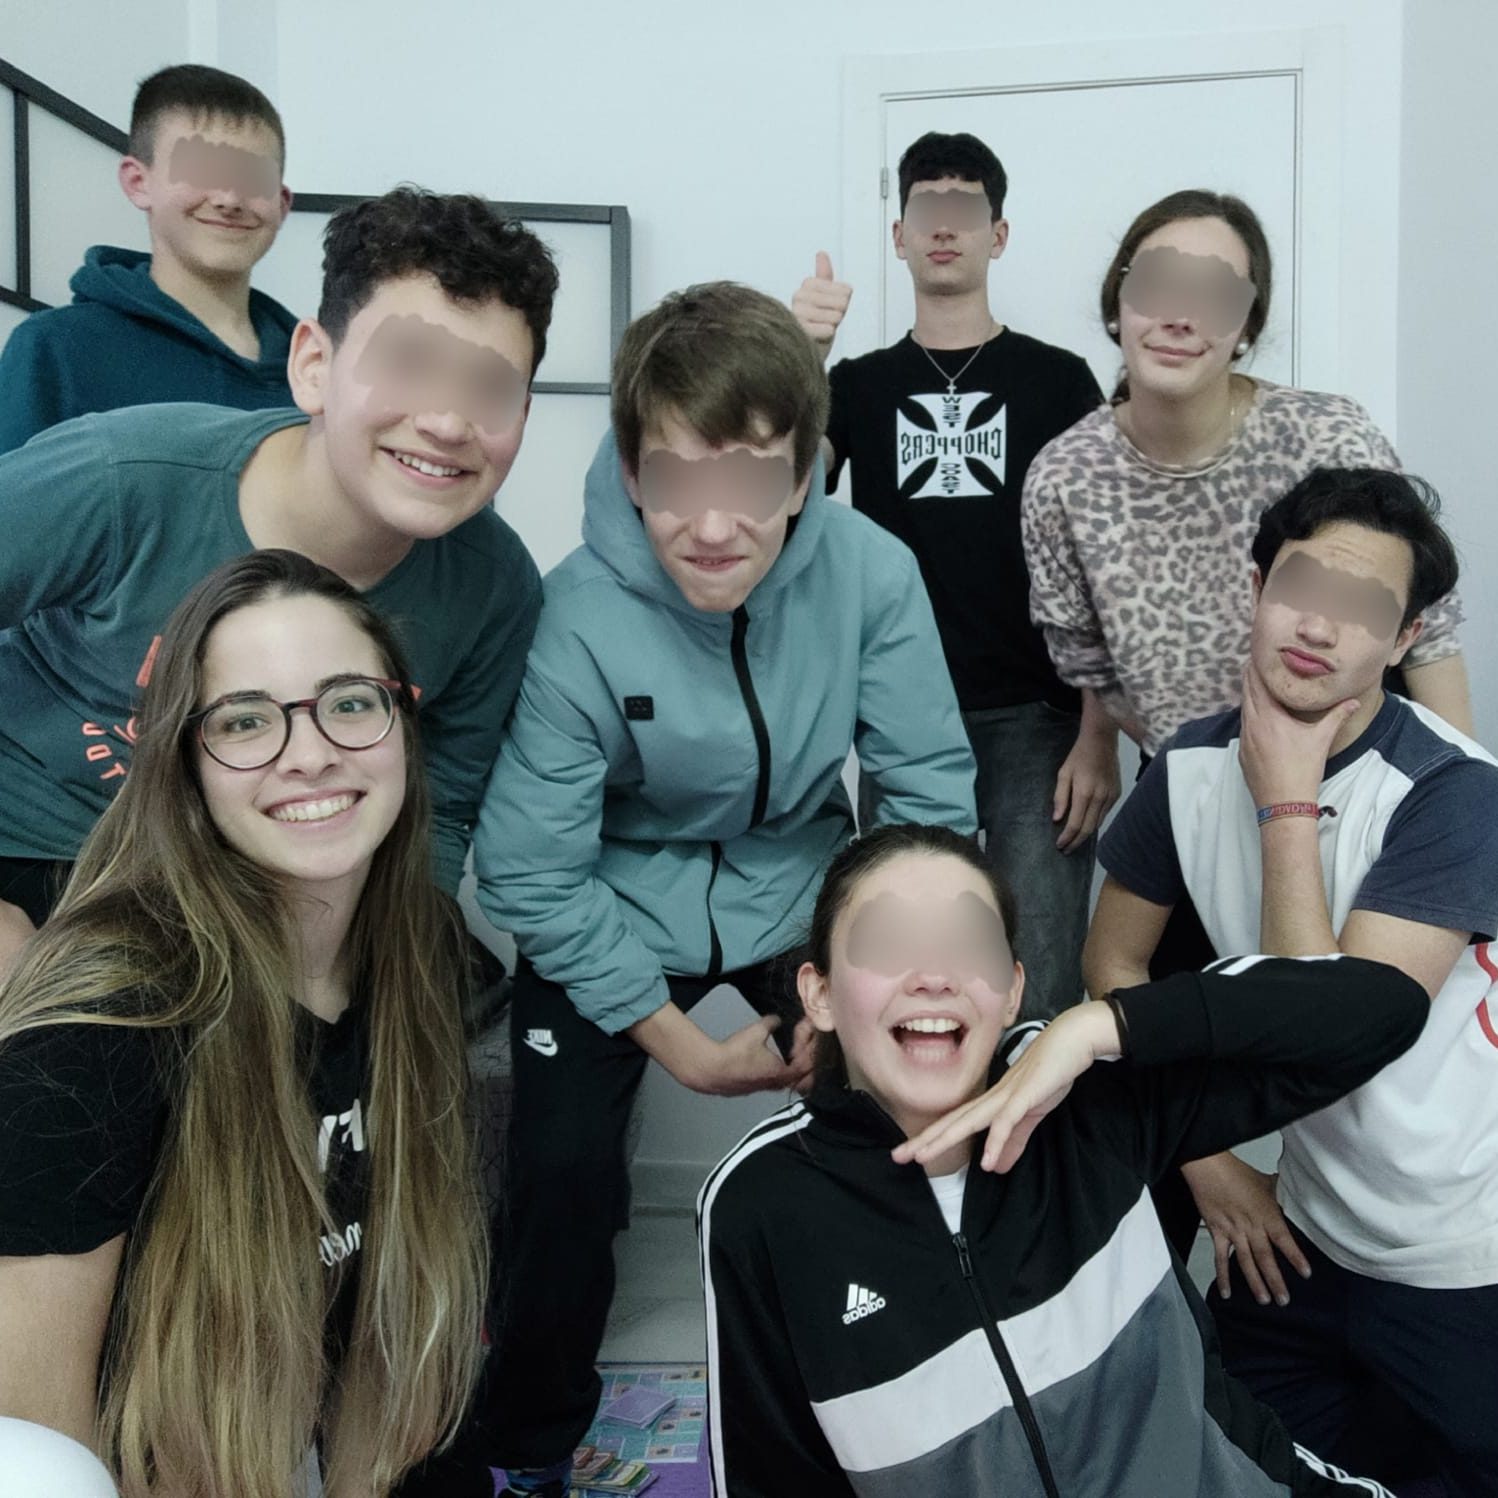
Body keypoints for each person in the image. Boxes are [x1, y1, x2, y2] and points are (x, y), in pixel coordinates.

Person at [472, 282, 977, 1495]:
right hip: (613, 897)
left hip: (800, 885)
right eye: (674, 478)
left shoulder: (873, 574)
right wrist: (683, 1050)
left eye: (750, 478)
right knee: (559, 1173)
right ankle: (527, 1449)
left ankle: (920, 1392)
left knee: (907, 1107)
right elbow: (530, 865)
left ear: (802, 474)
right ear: (630, 471)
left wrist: (858, 976)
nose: (711, 523)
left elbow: (925, 805)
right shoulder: (575, 608)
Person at [698, 822, 1424, 1496]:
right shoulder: (760, 1205)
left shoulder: (1091, 1097)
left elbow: (1386, 1007)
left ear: (1013, 990)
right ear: (819, 994)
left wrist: (1102, 1025)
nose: (933, 975)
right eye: (889, 944)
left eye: (968, 945)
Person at [0, 550, 492, 1498]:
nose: (309, 754)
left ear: (402, 725)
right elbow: (38, 1453)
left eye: (349, 702)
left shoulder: (416, 953)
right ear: (184, 766)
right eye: (245, 721)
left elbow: (383, 1358)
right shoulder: (93, 1032)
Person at [0, 185, 554, 963]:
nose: (446, 421)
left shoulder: (495, 586)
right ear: (313, 366)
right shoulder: (121, 479)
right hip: (48, 846)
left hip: (268, 880)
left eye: (491, 387)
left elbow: (445, 797)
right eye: (408, 364)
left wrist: (399, 955)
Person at [1086, 468, 1498, 1495]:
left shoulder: (1453, 791)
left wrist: (1286, 802)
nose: (1319, 626)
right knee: (1254, 1467)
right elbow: (1111, 965)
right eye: (1301, 585)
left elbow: (1328, 1037)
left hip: (1458, 1254)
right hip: (1299, 1238)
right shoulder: (1185, 769)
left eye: (1363, 607)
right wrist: (1210, 1164)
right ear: (1257, 587)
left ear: (1403, 640)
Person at [791, 130, 1112, 1018]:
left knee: (1040, 972)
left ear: (996, 235)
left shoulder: (1058, 380)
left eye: (965, 209)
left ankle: (1037, 1115)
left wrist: (1099, 734)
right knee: (908, 962)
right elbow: (782, 496)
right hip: (898, 712)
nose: (944, 226)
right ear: (898, 235)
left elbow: (1103, 560)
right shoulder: (856, 384)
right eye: (926, 209)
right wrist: (799, 357)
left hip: (1038, 718)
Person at [1021, 188, 1471, 763]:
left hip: (1350, 777)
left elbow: (1429, 628)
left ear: (1247, 327)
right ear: (1118, 302)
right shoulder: (1064, 477)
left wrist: (1465, 784)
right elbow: (1084, 656)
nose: (1180, 317)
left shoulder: (1328, 438)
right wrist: (1195, 766)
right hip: (1190, 781)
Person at [0, 64, 298, 454]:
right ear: (138, 183)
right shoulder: (56, 349)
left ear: (282, 203)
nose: (229, 199)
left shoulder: (316, 370)